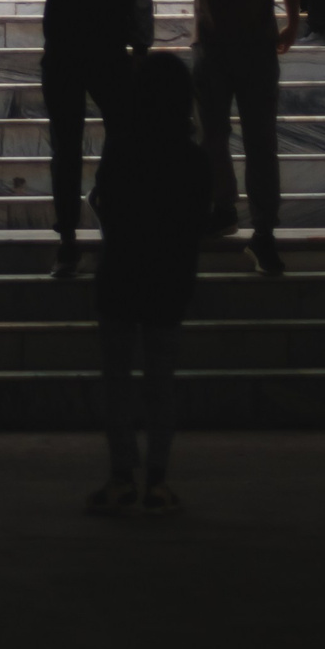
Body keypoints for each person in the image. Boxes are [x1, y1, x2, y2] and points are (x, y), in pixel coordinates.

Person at [161, 0, 302, 277]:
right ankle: (225, 209)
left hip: (252, 41)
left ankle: (262, 230)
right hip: (214, 41)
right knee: (214, 136)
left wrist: (293, 18)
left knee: (258, 141)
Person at [85, 51, 214, 518]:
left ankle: (121, 476)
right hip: (169, 277)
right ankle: (158, 480)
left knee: (117, 381)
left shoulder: (122, 146)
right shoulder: (193, 158)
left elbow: (104, 201)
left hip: (121, 271)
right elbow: (201, 218)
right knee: (161, 383)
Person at [31, 0, 154, 281]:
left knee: (126, 133)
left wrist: (142, 45)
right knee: (66, 148)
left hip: (109, 50)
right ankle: (67, 239)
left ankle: (106, 196)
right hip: (63, 52)